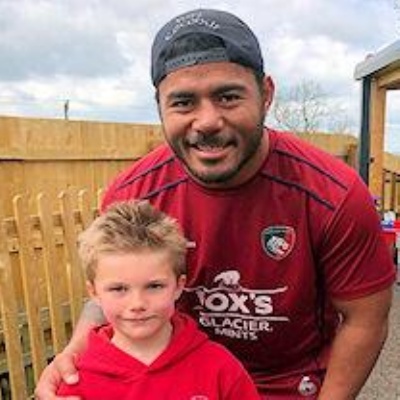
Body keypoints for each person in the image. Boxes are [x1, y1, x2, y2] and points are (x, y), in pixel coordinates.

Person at [35, 8, 395, 400]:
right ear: (159, 106)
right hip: (178, 385)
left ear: (266, 94)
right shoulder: (133, 195)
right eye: (183, 102)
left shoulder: (334, 195)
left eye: (227, 96)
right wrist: (75, 352)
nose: (206, 121)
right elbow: (114, 289)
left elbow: (364, 318)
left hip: (290, 388)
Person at [56, 200, 260, 399]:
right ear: (93, 292)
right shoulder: (76, 380)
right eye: (118, 289)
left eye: (154, 286)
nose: (137, 304)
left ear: (179, 286)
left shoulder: (220, 369)